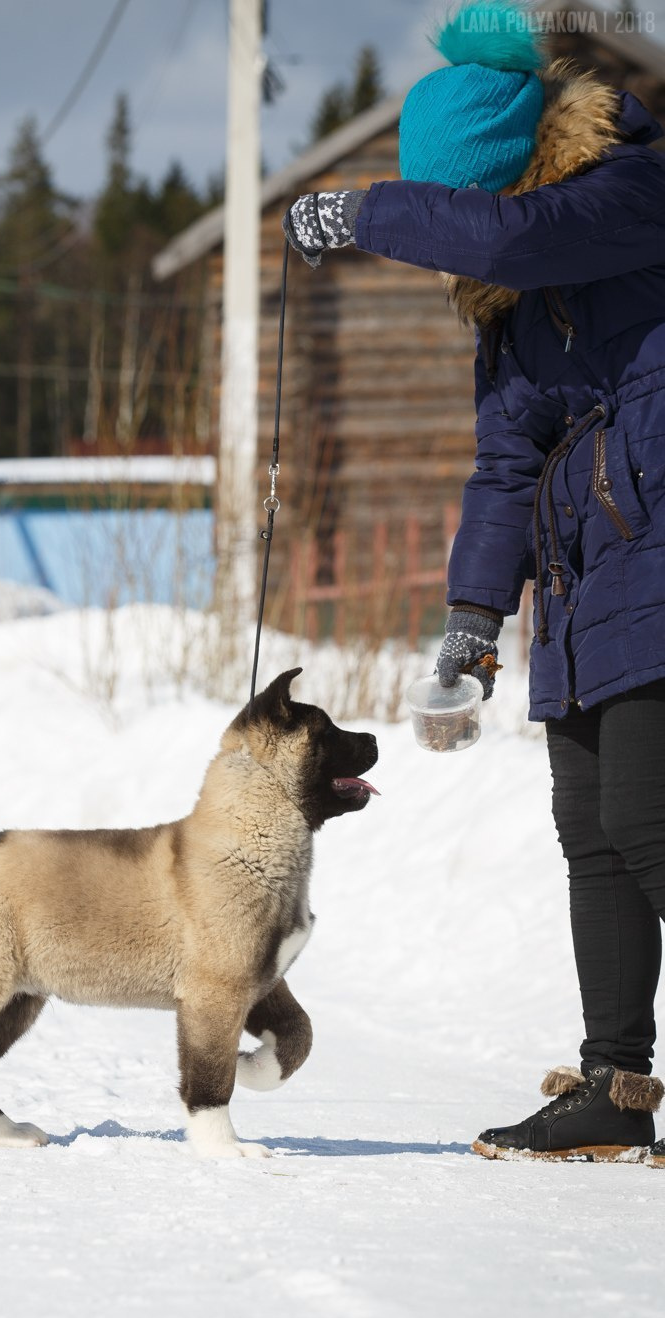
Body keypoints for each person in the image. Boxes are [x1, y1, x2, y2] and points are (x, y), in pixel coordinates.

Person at [283, 0, 665, 1164]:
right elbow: (507, 465)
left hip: (658, 557)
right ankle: (615, 1086)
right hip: (585, 578)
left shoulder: (630, 194)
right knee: (590, 829)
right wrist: (467, 628)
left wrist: (362, 211)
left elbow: (509, 238)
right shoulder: (514, 313)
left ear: (525, 167)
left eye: (466, 205)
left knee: (648, 817)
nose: (460, 239)